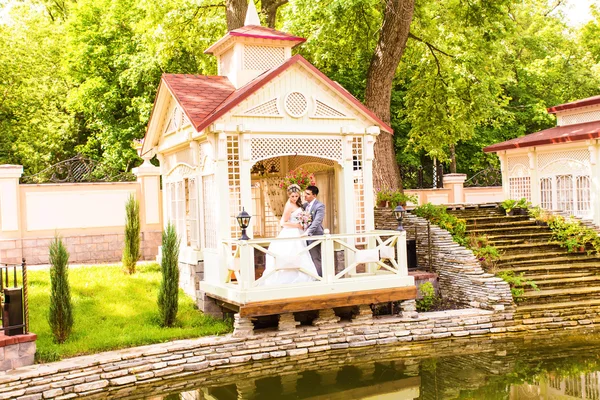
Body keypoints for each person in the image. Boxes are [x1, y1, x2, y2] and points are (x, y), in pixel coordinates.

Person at [261, 184, 319, 285]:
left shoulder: (299, 204)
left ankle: (303, 277)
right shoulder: (289, 206)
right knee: (291, 254)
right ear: (289, 195)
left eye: (296, 196)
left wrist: (304, 221)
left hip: (298, 233)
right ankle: (288, 279)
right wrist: (297, 225)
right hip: (291, 233)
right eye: (292, 196)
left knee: (301, 254)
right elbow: (283, 223)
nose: (294, 198)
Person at [302, 185, 325, 276]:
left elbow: (317, 221)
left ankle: (320, 279)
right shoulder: (305, 205)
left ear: (314, 195)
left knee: (315, 258)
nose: (305, 196)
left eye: (308, 194)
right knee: (307, 258)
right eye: (305, 194)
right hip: (304, 236)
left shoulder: (320, 206)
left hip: (314, 235)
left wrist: (308, 232)